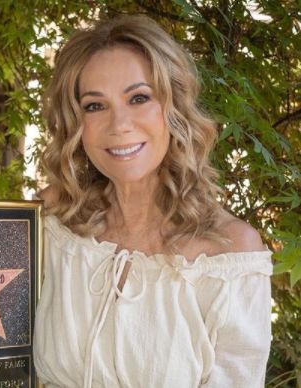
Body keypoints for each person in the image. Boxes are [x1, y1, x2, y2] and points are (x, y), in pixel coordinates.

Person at [33, 14, 273, 388]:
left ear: (174, 109)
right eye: (95, 106)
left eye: (139, 98)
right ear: (76, 124)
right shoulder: (56, 224)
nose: (119, 125)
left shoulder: (229, 255)